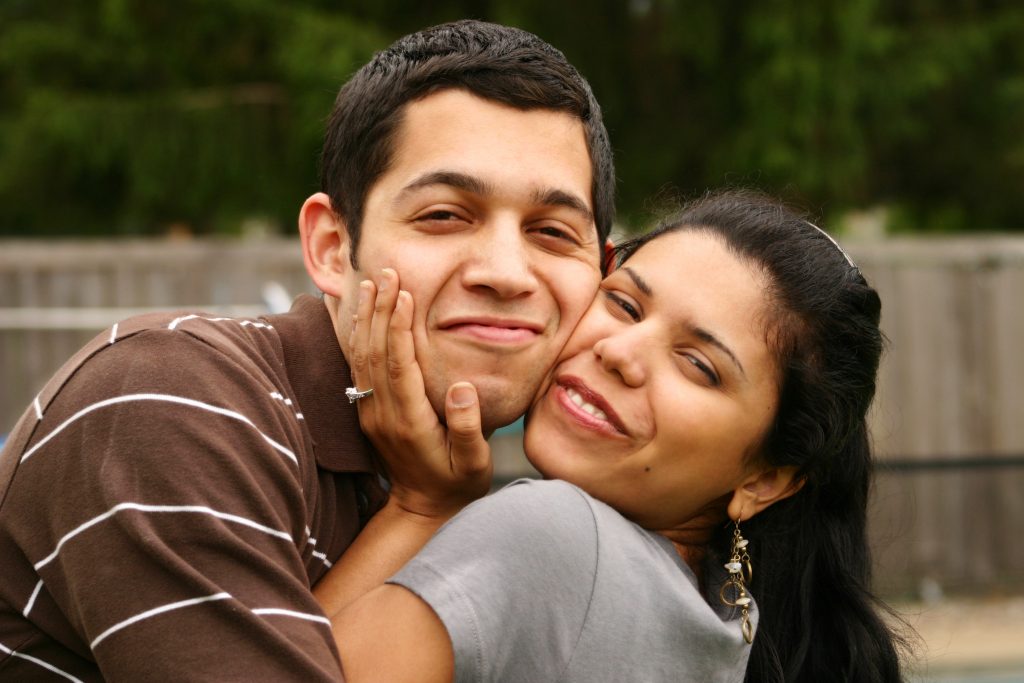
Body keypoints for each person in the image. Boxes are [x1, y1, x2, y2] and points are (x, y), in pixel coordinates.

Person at [0, 20, 614, 680]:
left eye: (552, 232)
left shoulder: (469, 481)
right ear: (330, 247)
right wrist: (422, 509)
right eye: (443, 215)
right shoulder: (172, 398)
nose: (506, 271)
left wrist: (424, 504)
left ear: (604, 275)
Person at [315, 190, 907, 682]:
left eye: (698, 365)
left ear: (767, 480)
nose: (620, 352)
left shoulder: (554, 537)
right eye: (623, 304)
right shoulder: (729, 622)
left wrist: (420, 506)